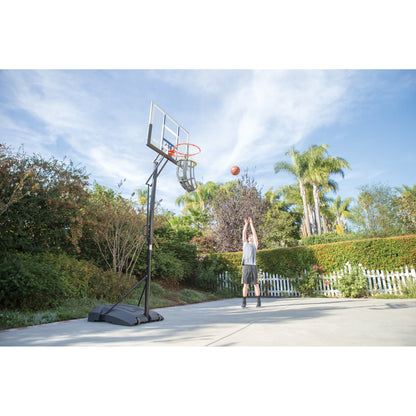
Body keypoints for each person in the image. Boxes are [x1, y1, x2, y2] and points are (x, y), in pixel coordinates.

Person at [241, 217, 261, 308]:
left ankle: (258, 301)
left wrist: (251, 223)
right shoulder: (245, 244)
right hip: (246, 266)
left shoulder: (255, 245)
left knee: (255, 284)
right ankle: (244, 302)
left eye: (251, 236)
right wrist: (246, 224)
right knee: (246, 284)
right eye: (250, 236)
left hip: (253, 266)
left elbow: (255, 234)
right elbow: (244, 233)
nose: (251, 237)